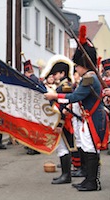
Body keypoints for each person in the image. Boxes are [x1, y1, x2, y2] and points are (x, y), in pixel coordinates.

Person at [44, 25, 109, 191]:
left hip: (93, 118)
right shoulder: (90, 77)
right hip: (88, 117)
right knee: (87, 148)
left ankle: (92, 182)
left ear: (83, 64)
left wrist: (54, 96)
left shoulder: (89, 78)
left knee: (90, 149)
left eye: (77, 66)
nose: (76, 70)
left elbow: (75, 97)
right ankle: (88, 179)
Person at [41, 54, 75, 185]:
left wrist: (59, 123)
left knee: (63, 148)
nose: (53, 76)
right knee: (62, 147)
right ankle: (65, 174)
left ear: (62, 73)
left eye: (55, 74)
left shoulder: (64, 87)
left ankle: (66, 175)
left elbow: (63, 107)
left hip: (63, 121)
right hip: (62, 120)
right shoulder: (62, 85)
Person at [23, 60, 41, 155]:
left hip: (32, 106)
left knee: (31, 127)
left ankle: (33, 147)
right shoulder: (36, 79)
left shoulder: (31, 80)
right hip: (36, 106)